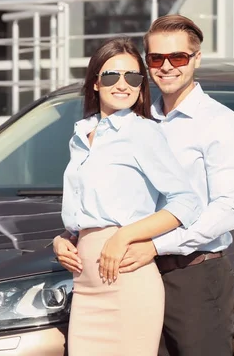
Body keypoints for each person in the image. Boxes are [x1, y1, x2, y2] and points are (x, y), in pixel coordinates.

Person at [54, 15, 234, 355]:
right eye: (157, 59)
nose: (167, 67)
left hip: (191, 275)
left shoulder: (219, 124)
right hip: (128, 270)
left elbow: (228, 210)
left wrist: (156, 246)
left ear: (196, 58)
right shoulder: (131, 118)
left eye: (178, 57)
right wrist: (68, 237)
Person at [56, 37, 202, 356]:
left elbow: (187, 202)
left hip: (127, 281)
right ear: (95, 83)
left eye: (133, 77)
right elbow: (90, 210)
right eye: (111, 76)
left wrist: (124, 237)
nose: (122, 85)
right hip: (85, 287)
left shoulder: (141, 132)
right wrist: (63, 239)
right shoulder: (81, 135)